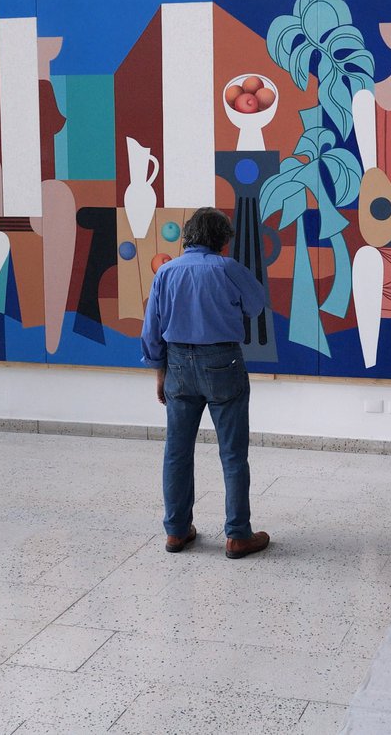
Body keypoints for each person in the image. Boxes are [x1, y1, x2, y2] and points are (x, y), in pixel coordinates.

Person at [141, 207, 271, 559]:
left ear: (188, 236)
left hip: (177, 364)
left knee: (177, 451)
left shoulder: (166, 272)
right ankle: (238, 536)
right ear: (222, 240)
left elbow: (152, 329)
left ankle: (176, 531)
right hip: (223, 362)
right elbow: (256, 305)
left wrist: (160, 372)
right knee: (232, 453)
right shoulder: (228, 268)